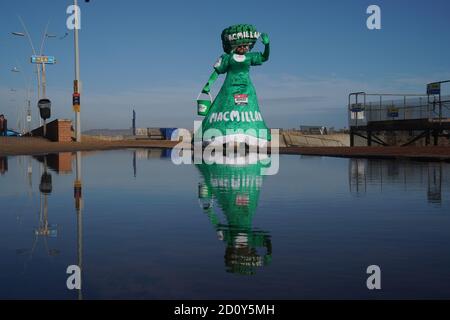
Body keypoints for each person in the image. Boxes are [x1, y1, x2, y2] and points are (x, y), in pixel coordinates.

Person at [198, 24, 271, 148]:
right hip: (229, 88)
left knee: (248, 110)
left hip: (246, 88)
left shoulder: (250, 57)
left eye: (245, 46)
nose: (243, 48)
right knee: (224, 109)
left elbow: (264, 57)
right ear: (234, 46)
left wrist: (267, 45)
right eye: (240, 45)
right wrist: (208, 85)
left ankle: (251, 135)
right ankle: (218, 135)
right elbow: (217, 71)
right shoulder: (227, 58)